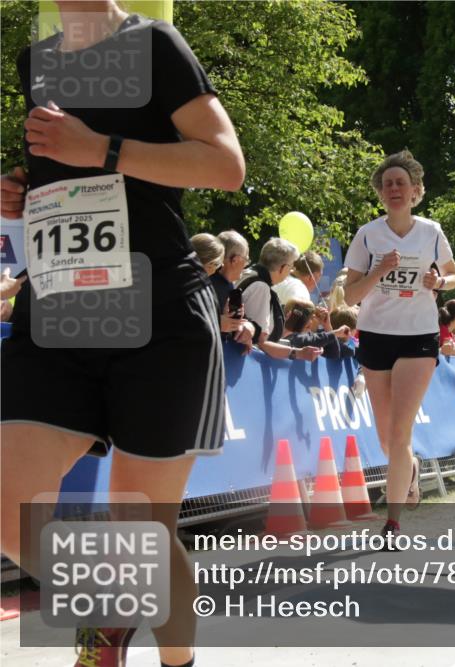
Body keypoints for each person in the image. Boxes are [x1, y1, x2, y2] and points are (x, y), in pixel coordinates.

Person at [0, 3, 245, 666]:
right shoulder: (37, 62)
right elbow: (69, 175)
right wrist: (24, 190)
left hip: (158, 310)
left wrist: (100, 150)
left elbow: (225, 165)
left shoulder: (154, 44)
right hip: (58, 305)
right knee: (6, 504)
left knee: (144, 528)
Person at [343, 150, 455, 541]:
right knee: (384, 438)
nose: (394, 188)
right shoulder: (368, 234)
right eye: (388, 183)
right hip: (376, 334)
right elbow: (348, 297)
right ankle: (408, 469)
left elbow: (454, 275)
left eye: (401, 183)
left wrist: (438, 283)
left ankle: (391, 523)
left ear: (415, 191)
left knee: (399, 433)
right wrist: (379, 270)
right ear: (381, 193)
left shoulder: (431, 231)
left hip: (419, 337)